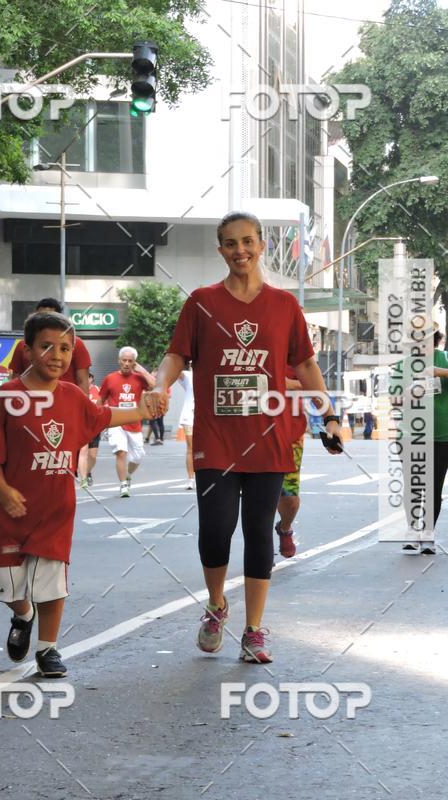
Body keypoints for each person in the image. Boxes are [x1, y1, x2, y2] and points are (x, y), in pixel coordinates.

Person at [144, 211, 342, 664]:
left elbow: (307, 365)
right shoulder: (201, 302)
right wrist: (159, 384)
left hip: (268, 437)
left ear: (261, 246)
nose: (241, 251)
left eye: (248, 241)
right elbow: (177, 355)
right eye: (231, 244)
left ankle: (254, 630)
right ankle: (217, 605)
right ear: (221, 250)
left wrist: (328, 412)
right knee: (215, 531)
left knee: (257, 532)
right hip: (215, 437)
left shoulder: (284, 305)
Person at [0, 312, 154, 678]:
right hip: (10, 512)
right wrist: (4, 490)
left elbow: (104, 416)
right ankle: (23, 615)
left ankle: (48, 649)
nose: (57, 356)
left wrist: (143, 409)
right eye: (46, 347)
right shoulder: (6, 397)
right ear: (27, 350)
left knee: (52, 582)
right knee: (9, 587)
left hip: (56, 509)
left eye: (65, 348)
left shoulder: (73, 396)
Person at [402, 329, 448, 555]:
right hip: (413, 435)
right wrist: (409, 394)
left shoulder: (444, 358)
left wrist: (438, 372)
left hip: (442, 435)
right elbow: (393, 397)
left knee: (433, 488)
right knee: (413, 486)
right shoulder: (404, 364)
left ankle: (428, 534)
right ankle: (412, 531)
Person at [99, 347, 155, 497]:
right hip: (115, 422)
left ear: (134, 363)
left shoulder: (139, 378)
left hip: (134, 422)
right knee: (121, 452)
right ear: (119, 361)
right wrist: (97, 418)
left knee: (138, 455)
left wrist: (142, 370)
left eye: (130, 361)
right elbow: (100, 400)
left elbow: (156, 386)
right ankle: (123, 485)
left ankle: (128, 474)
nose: (126, 363)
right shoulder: (109, 378)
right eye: (124, 360)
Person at [9, 298, 91, 394]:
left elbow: (83, 381)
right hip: (30, 402)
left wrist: (83, 406)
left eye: (64, 349)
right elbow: (16, 378)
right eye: (40, 316)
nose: (44, 321)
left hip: (66, 402)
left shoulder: (77, 343)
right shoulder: (22, 345)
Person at [274, 366, 308, 558]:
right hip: (253, 434)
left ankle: (284, 527)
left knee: (289, 498)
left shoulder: (295, 351)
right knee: (259, 498)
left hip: (291, 436)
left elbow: (311, 383)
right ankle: (260, 549)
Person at [78, 372, 101, 489]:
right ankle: (83, 480)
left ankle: (87, 472)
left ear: (92, 379)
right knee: (83, 451)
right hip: (82, 425)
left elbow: (103, 406)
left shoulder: (98, 390)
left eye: (88, 377)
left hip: (95, 426)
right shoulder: (78, 390)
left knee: (92, 455)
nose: (86, 380)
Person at [177, 367, 195, 489]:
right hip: (190, 415)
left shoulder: (212, 372)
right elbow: (176, 369)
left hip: (208, 415)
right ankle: (191, 479)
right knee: (191, 448)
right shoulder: (188, 375)